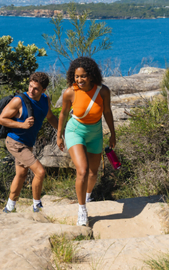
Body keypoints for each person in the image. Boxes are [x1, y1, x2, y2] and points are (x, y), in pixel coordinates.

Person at [56, 57, 116, 226]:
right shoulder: (70, 92)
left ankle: (88, 196)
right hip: (75, 131)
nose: (79, 80)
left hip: (95, 133)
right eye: (76, 76)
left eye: (83, 76)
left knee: (93, 172)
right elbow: (63, 114)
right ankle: (82, 210)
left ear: (91, 75)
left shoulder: (103, 91)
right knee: (82, 171)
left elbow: (108, 112)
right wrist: (59, 135)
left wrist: (112, 134)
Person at [0, 72, 59, 213]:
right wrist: (22, 125)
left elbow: (50, 117)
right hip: (15, 142)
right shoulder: (19, 101)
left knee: (21, 174)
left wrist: (63, 133)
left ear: (43, 90)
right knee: (40, 171)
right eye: (30, 86)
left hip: (28, 143)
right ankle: (37, 205)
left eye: (36, 88)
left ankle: (9, 207)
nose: (31, 90)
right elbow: (2, 119)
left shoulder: (45, 100)